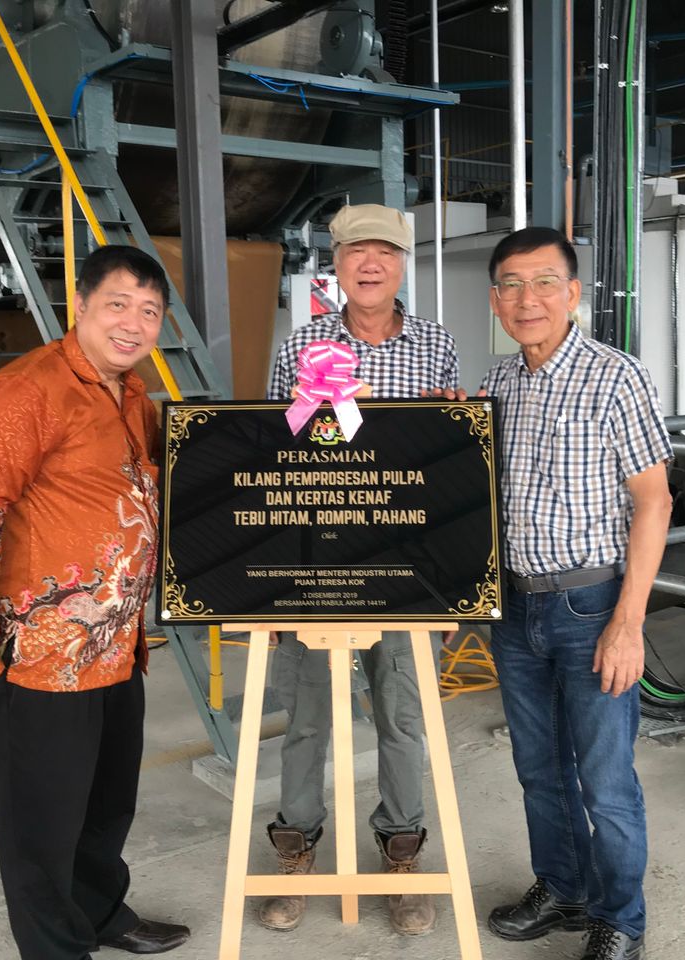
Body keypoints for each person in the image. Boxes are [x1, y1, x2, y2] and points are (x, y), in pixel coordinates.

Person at [0, 245, 190, 960]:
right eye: (119, 304)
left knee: (106, 805)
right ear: (80, 305)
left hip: (115, 648)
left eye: (150, 311)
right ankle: (56, 948)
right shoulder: (29, 391)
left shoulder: (133, 396)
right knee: (41, 822)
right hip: (38, 657)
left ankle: (101, 915)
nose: (134, 323)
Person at [263, 203, 459, 936]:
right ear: (336, 264)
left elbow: (451, 470)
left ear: (404, 263)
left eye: (385, 251)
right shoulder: (304, 345)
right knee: (307, 718)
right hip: (320, 565)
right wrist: (271, 584)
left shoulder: (437, 346)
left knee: (402, 717)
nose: (370, 263)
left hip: (408, 568)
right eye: (354, 251)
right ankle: (295, 855)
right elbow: (276, 462)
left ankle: (403, 858)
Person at [478, 227, 672, 960]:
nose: (527, 299)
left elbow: (654, 502)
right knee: (538, 769)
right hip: (514, 608)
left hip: (590, 607)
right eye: (512, 285)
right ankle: (563, 888)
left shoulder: (616, 377)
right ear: (495, 300)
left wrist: (628, 622)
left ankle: (621, 919)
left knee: (605, 778)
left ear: (573, 293)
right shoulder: (496, 384)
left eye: (543, 283)